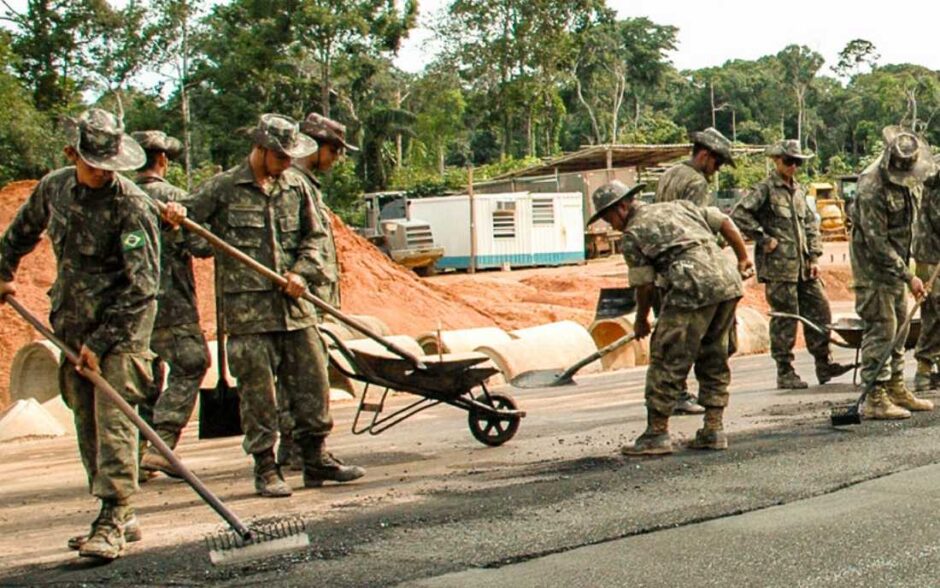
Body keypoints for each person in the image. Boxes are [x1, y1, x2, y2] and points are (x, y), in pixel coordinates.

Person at [0, 108, 160, 560]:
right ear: (74, 155)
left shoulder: (131, 204)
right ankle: (121, 516)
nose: (102, 174)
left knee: (113, 422)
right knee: (86, 421)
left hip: (123, 330)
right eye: (94, 165)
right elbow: (19, 235)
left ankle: (112, 516)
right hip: (70, 326)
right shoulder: (54, 189)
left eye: (109, 166)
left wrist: (103, 342)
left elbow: (144, 287)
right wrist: (3, 271)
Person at [182, 113, 364, 497]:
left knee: (313, 385)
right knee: (258, 396)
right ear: (261, 150)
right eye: (280, 157)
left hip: (296, 310)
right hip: (249, 317)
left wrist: (301, 272)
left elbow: (315, 239)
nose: (286, 164)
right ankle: (266, 468)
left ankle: (315, 459)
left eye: (289, 157)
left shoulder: (296, 187)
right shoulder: (222, 188)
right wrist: (196, 237)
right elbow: (185, 229)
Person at [588, 181, 753, 456]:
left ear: (622, 207)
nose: (611, 226)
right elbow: (724, 221)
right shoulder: (681, 208)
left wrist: (641, 320)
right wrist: (743, 258)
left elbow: (644, 286)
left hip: (692, 285)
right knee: (714, 355)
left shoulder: (633, 234)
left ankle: (657, 433)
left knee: (667, 357)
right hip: (727, 282)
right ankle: (713, 428)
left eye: (609, 218)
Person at [731, 140, 853, 389]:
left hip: (804, 267)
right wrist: (763, 239)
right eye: (789, 161)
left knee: (820, 311)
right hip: (779, 269)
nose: (793, 167)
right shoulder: (765, 189)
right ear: (777, 161)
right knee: (785, 318)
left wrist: (815, 257)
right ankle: (784, 370)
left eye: (797, 162)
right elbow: (739, 215)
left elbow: (810, 225)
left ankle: (824, 363)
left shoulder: (800, 191)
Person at [275, 113, 355, 468]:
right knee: (302, 378)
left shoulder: (305, 184)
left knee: (306, 374)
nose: (337, 159)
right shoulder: (291, 184)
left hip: (313, 299)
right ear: (317, 146)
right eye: (335, 151)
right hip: (297, 299)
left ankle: (296, 449)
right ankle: (298, 450)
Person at [131, 131, 212, 478]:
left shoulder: (121, 196)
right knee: (193, 362)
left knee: (146, 377)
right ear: (162, 160)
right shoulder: (174, 198)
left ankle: (137, 456)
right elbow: (203, 246)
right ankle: (162, 443)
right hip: (171, 304)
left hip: (130, 307)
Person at [851, 126, 935, 419]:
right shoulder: (870, 187)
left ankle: (896, 387)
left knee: (899, 328)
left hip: (897, 268)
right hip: (874, 271)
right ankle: (875, 396)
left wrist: (907, 273)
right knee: (882, 329)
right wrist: (909, 275)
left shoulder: (909, 177)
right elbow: (876, 243)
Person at [651, 127, 736, 414]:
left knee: (669, 336)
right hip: (689, 267)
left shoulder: (669, 174)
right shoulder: (696, 183)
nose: (717, 169)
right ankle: (684, 395)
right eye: (717, 162)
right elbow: (698, 226)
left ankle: (675, 392)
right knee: (698, 336)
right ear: (704, 155)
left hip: (663, 264)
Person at [912, 171, 940, 393]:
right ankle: (923, 368)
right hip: (931, 258)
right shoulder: (935, 184)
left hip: (931, 254)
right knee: (934, 312)